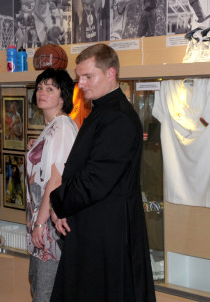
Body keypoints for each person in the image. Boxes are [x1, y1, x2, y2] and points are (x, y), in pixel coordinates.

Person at [49, 44, 156, 302]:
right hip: (94, 225)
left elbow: (95, 180)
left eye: (88, 77)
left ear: (111, 74)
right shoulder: (104, 111)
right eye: (79, 77)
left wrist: (58, 203)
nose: (81, 84)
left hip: (107, 232)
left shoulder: (117, 117)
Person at [24, 68, 78, 302]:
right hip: (42, 220)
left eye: (50, 89)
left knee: (45, 293)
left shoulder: (63, 126)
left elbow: (56, 180)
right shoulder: (53, 127)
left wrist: (39, 223)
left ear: (63, 96)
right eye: (39, 88)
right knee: (39, 287)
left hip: (48, 223)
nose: (42, 93)